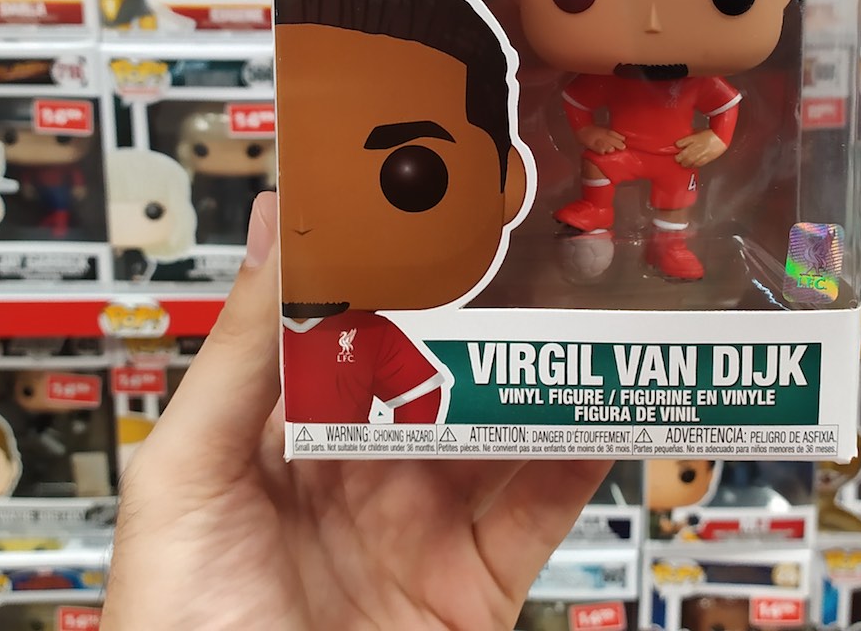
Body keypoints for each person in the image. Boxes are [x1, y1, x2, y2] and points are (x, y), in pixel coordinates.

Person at [102, 193, 614, 630]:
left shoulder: (372, 329)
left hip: (389, 505)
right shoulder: (316, 323)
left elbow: (421, 389)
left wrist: (412, 443)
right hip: (315, 494)